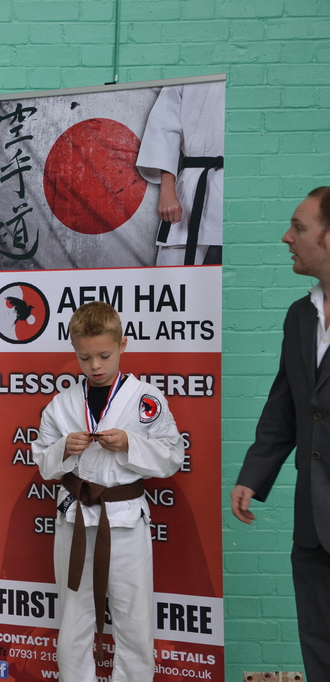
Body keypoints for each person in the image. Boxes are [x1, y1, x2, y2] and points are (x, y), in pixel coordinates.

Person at [32, 301, 183, 680]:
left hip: (126, 520)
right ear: (74, 351)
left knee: (134, 619)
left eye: (104, 356)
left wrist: (131, 443)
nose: (95, 366)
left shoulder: (147, 399)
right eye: (85, 358)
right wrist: (64, 448)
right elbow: (44, 466)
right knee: (73, 618)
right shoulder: (61, 405)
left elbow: (172, 457)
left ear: (122, 345)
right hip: (75, 520)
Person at [232, 187, 330, 679]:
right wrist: (254, 475)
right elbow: (286, 406)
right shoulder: (299, 316)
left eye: (299, 227)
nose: (286, 237)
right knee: (319, 643)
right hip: (314, 520)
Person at [136, 81, 225, 266]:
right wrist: (167, 191)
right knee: (174, 276)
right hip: (193, 189)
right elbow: (164, 128)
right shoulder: (186, 76)